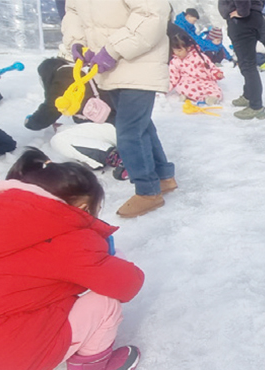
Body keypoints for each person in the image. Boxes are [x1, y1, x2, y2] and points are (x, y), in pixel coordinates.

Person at [0, 148, 145, 370]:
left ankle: (12, 361)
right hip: (4, 358)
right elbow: (128, 284)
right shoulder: (65, 238)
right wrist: (110, 259)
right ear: (83, 206)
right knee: (104, 301)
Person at [62, 0, 178, 218]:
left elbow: (151, 13)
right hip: (106, 66)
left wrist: (114, 49)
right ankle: (163, 177)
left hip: (139, 62)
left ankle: (147, 191)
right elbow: (73, 12)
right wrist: (77, 42)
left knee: (128, 131)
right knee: (139, 125)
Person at [23, 57, 117, 131]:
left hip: (107, 121)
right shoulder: (77, 70)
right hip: (115, 114)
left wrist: (31, 123)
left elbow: (51, 109)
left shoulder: (62, 77)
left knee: (60, 139)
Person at [219, 0, 265, 120]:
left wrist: (242, 11)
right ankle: (248, 95)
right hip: (251, 18)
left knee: (248, 65)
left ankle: (256, 107)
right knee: (245, 62)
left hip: (243, 21)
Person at [169, 32, 225, 104]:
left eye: (179, 50)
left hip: (204, 80)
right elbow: (172, 78)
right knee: (182, 87)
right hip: (187, 82)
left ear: (188, 48)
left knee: (215, 90)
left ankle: (212, 98)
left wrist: (216, 74)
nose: (177, 53)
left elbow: (210, 67)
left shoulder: (199, 56)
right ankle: (192, 96)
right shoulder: (175, 62)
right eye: (175, 50)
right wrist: (164, 89)